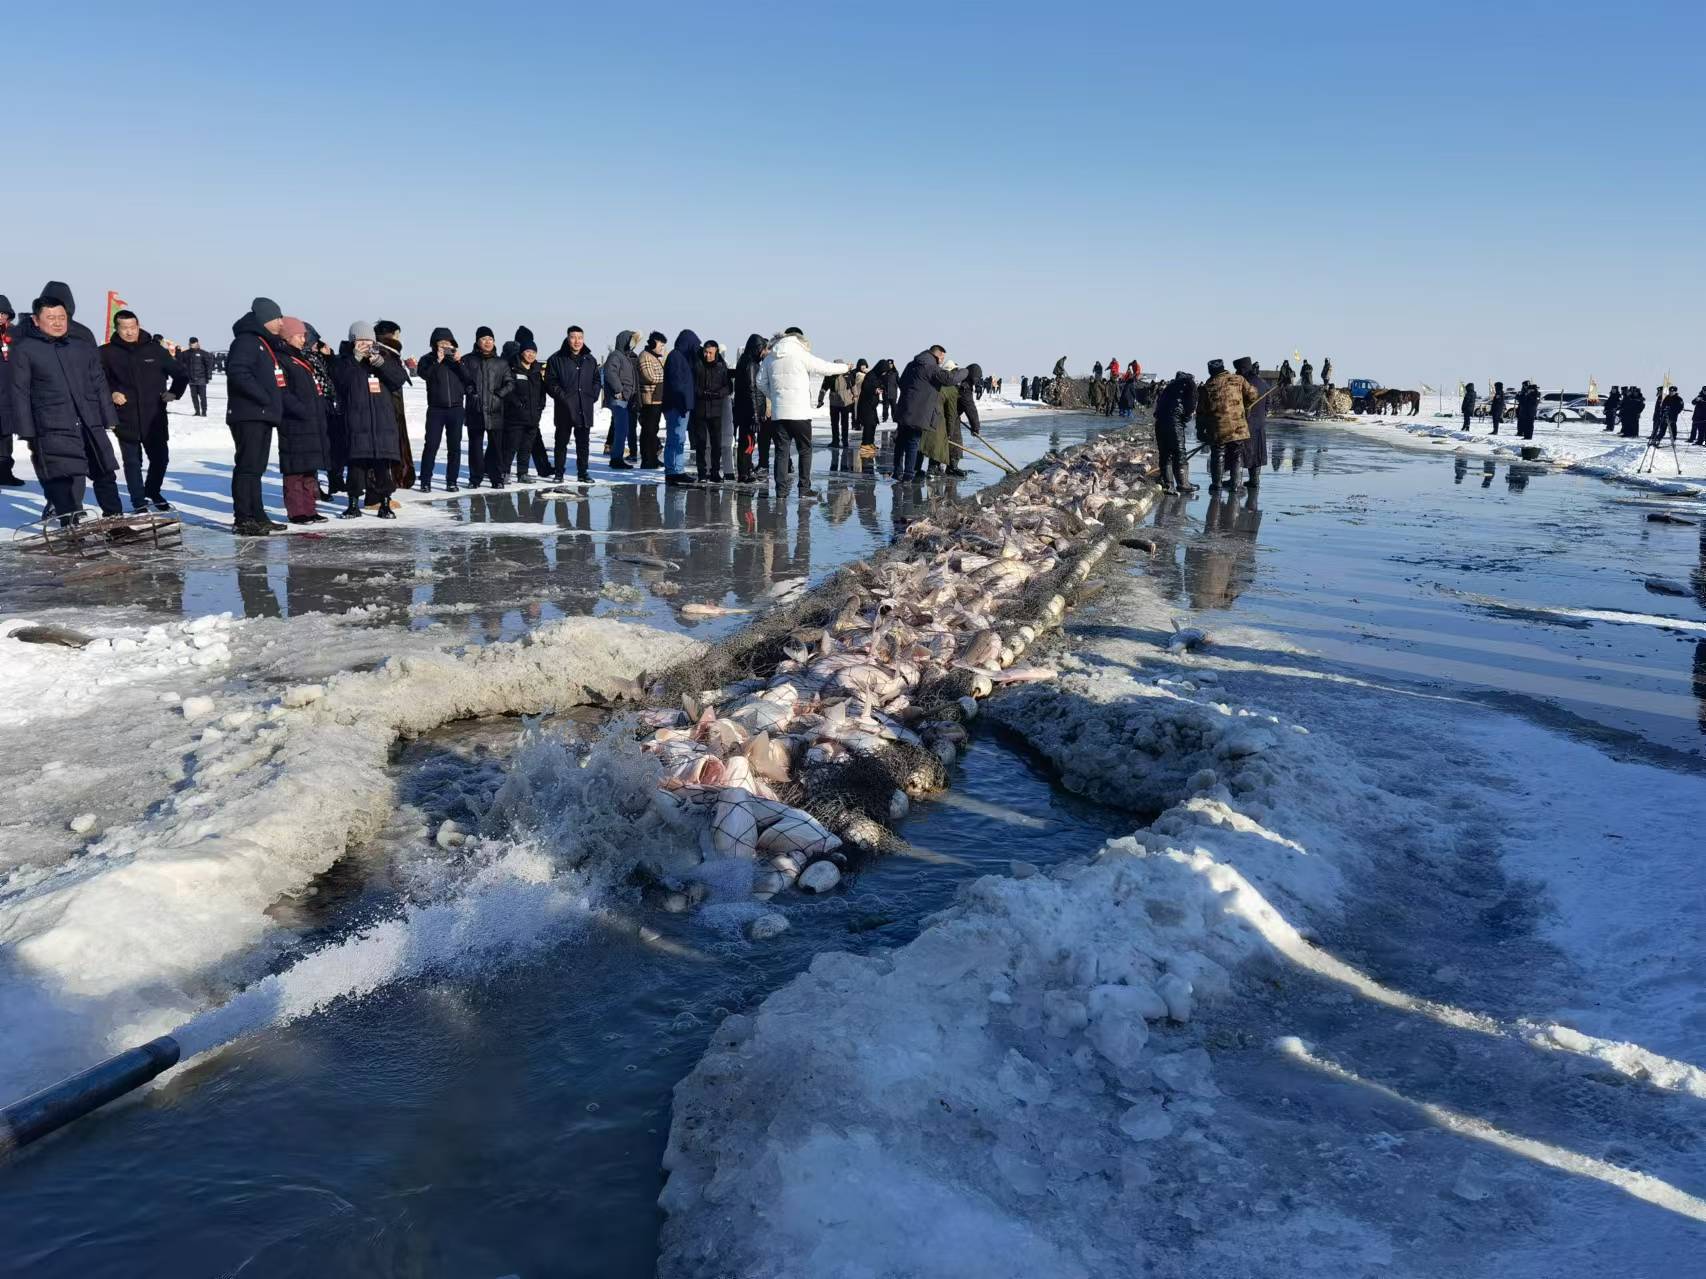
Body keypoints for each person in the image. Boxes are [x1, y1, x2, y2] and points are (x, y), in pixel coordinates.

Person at [7, 287, 126, 525]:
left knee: (104, 471)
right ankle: (69, 525)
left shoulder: (81, 346)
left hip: (88, 420)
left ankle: (116, 520)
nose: (58, 323)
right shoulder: (25, 350)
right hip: (50, 424)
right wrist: (27, 430)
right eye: (51, 318)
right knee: (61, 476)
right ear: (36, 320)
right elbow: (19, 392)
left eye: (62, 317)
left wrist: (108, 416)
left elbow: (99, 382)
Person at [101, 308, 186, 512]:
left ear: (138, 326)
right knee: (132, 462)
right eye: (124, 328)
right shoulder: (106, 353)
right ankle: (139, 501)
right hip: (126, 416)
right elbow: (97, 381)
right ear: (117, 329)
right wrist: (112, 393)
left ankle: (152, 491)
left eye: (133, 327)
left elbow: (181, 374)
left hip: (154, 416)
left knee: (160, 459)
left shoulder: (155, 350)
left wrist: (174, 392)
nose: (129, 332)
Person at [757, 327, 847, 497]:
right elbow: (824, 367)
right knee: (805, 450)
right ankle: (804, 489)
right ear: (799, 339)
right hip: (800, 414)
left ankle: (781, 491)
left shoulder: (770, 357)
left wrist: (775, 396)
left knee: (781, 452)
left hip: (779, 414)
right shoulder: (800, 354)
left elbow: (760, 382)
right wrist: (844, 367)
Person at [225, 296, 288, 535]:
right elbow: (238, 373)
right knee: (247, 467)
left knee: (256, 468)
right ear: (264, 319)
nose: (281, 322)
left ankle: (258, 515)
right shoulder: (246, 342)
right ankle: (243, 517)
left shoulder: (263, 342)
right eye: (277, 318)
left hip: (262, 415)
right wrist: (264, 396)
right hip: (248, 414)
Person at [333, 321, 406, 518]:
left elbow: (399, 379)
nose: (366, 344)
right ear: (353, 342)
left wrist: (381, 363)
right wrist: (355, 359)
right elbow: (340, 381)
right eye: (361, 340)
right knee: (356, 468)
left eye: (369, 340)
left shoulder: (384, 358)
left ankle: (384, 504)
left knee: (383, 467)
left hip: (382, 423)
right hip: (357, 423)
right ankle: (353, 504)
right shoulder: (344, 361)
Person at [276, 317, 331, 523]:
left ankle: (310, 508)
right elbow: (283, 392)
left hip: (312, 422)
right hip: (295, 422)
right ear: (288, 336)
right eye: (299, 335)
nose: (303, 339)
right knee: (295, 471)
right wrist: (303, 410)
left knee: (309, 469)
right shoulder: (282, 359)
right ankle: (296, 511)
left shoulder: (300, 358)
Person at [891, 345, 965, 481]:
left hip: (904, 408)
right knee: (913, 443)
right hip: (919, 412)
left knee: (901, 441)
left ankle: (897, 471)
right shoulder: (931, 367)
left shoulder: (911, 364)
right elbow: (949, 379)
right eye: (942, 357)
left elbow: (901, 383)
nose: (942, 360)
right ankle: (908, 474)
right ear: (937, 355)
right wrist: (964, 372)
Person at [415, 327, 474, 491]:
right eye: (441, 343)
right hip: (436, 409)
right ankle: (425, 481)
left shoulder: (458, 361)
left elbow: (469, 379)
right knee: (431, 445)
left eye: (447, 343)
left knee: (454, 447)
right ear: (434, 345)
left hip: (456, 409)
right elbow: (425, 375)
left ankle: (452, 481)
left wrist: (459, 362)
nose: (444, 346)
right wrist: (437, 361)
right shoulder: (427, 359)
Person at [544, 325, 601, 484]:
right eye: (573, 337)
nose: (577, 341)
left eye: (580, 338)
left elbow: (597, 380)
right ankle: (559, 473)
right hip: (565, 407)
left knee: (583, 442)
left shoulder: (590, 359)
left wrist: (592, 396)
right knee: (561, 441)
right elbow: (550, 382)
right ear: (568, 338)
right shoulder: (556, 359)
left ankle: (583, 472)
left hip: (584, 406)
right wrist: (564, 398)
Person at [1196, 358, 1256, 492]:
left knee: (1218, 454)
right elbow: (1253, 395)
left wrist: (1200, 431)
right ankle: (1235, 485)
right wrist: (1244, 406)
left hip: (1218, 428)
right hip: (1238, 427)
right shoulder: (1238, 380)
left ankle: (1217, 485)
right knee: (1236, 454)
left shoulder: (1208, 386)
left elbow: (1200, 412)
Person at [463, 326, 510, 487]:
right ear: (477, 341)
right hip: (475, 409)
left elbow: (510, 383)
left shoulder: (501, 363)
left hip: (495, 410)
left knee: (496, 447)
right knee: (475, 446)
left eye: (490, 339)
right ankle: (475, 478)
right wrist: (470, 391)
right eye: (484, 339)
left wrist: (499, 394)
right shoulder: (468, 360)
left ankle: (496, 478)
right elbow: (462, 381)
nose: (487, 342)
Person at [372, 320, 414, 493]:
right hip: (386, 407)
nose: (399, 337)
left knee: (396, 443)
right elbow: (395, 378)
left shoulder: (391, 353)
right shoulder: (382, 354)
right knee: (387, 447)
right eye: (397, 333)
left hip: (394, 406)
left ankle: (397, 478)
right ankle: (385, 486)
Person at [661, 328, 703, 488]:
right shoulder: (676, 357)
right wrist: (683, 403)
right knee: (675, 438)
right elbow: (676, 384)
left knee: (679, 439)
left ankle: (677, 470)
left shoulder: (684, 357)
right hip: (677, 406)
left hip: (682, 405)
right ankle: (672, 471)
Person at [504, 336, 547, 483]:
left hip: (533, 417)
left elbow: (542, 392)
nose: (531, 354)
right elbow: (508, 391)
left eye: (533, 352)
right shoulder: (513, 368)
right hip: (516, 417)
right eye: (528, 351)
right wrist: (517, 404)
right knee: (511, 446)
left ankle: (522, 473)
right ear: (522, 352)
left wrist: (540, 406)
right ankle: (505, 472)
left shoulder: (536, 370)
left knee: (526, 447)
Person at [693, 339, 733, 482]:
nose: (707, 355)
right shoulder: (697, 365)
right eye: (705, 352)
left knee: (716, 443)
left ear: (716, 352)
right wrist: (702, 393)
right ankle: (702, 473)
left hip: (716, 409)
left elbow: (728, 387)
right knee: (701, 442)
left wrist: (718, 394)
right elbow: (693, 385)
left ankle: (715, 472)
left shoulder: (721, 366)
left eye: (710, 353)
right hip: (700, 409)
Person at [732, 333, 769, 483]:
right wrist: (755, 414)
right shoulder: (751, 365)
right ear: (758, 348)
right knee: (748, 442)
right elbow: (752, 390)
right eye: (764, 349)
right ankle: (744, 473)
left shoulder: (747, 362)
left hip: (746, 410)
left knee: (748, 442)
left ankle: (746, 469)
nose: (765, 353)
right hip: (749, 412)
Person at [1153, 370, 1198, 494]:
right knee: (1179, 452)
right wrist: (1187, 417)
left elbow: (1158, 407)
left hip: (1160, 422)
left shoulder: (1169, 387)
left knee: (1165, 452)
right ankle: (1183, 484)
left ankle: (1168, 484)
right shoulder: (1190, 384)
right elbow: (1192, 404)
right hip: (1174, 422)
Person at [601, 329, 639, 471]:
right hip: (619, 399)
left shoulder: (624, 356)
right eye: (631, 341)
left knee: (623, 429)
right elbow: (610, 373)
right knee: (621, 430)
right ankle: (616, 459)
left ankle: (617, 457)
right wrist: (619, 390)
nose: (633, 344)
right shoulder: (616, 356)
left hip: (625, 399)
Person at [1232, 357, 1269, 485]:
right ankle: (1254, 480)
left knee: (1239, 453)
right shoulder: (1263, 383)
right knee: (1257, 452)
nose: (1236, 372)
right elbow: (1267, 405)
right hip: (1259, 424)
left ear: (1242, 369)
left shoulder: (1243, 384)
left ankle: (1235, 481)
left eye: (1237, 370)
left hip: (1245, 424)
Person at [637, 331, 667, 468]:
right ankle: (647, 459)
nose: (662, 348)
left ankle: (653, 457)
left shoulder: (655, 357)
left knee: (653, 430)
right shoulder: (645, 356)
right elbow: (650, 376)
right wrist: (667, 378)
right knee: (648, 431)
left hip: (657, 399)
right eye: (661, 345)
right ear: (654, 343)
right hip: (649, 400)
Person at [0, 295, 22, 487]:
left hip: (9, 393)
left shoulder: (16, 334)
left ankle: (5, 472)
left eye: (3, 313)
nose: (0, 317)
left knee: (5, 436)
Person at [817, 362, 856, 447]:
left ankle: (845, 441)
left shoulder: (847, 375)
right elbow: (823, 388)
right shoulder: (830, 375)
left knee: (844, 422)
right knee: (834, 422)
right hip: (834, 402)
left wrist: (855, 396)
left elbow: (853, 385)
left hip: (845, 402)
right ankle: (835, 441)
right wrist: (820, 400)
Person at [180, 336, 213, 417]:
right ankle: (197, 411)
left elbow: (208, 365)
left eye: (193, 343)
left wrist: (208, 376)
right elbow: (179, 361)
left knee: (203, 397)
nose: (191, 344)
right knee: (194, 397)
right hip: (191, 379)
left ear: (197, 343)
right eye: (190, 343)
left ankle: (204, 412)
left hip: (201, 379)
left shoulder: (203, 353)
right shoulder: (185, 353)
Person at [880, 355, 899, 422]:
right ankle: (884, 418)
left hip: (893, 393)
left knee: (894, 407)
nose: (890, 365)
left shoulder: (895, 373)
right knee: (885, 407)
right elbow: (880, 382)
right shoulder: (883, 373)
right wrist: (881, 387)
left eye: (891, 364)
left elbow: (898, 382)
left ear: (893, 365)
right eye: (888, 364)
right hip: (885, 393)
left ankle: (895, 418)